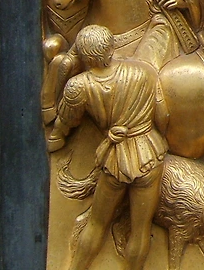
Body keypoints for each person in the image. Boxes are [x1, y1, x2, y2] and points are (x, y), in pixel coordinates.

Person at [46, 25, 168, 270]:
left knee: (96, 224)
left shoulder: (79, 86)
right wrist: (157, 137)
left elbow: (66, 122)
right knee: (141, 230)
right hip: (150, 154)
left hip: (116, 159)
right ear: (111, 49)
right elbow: (163, 115)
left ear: (83, 54)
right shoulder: (144, 72)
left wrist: (56, 137)